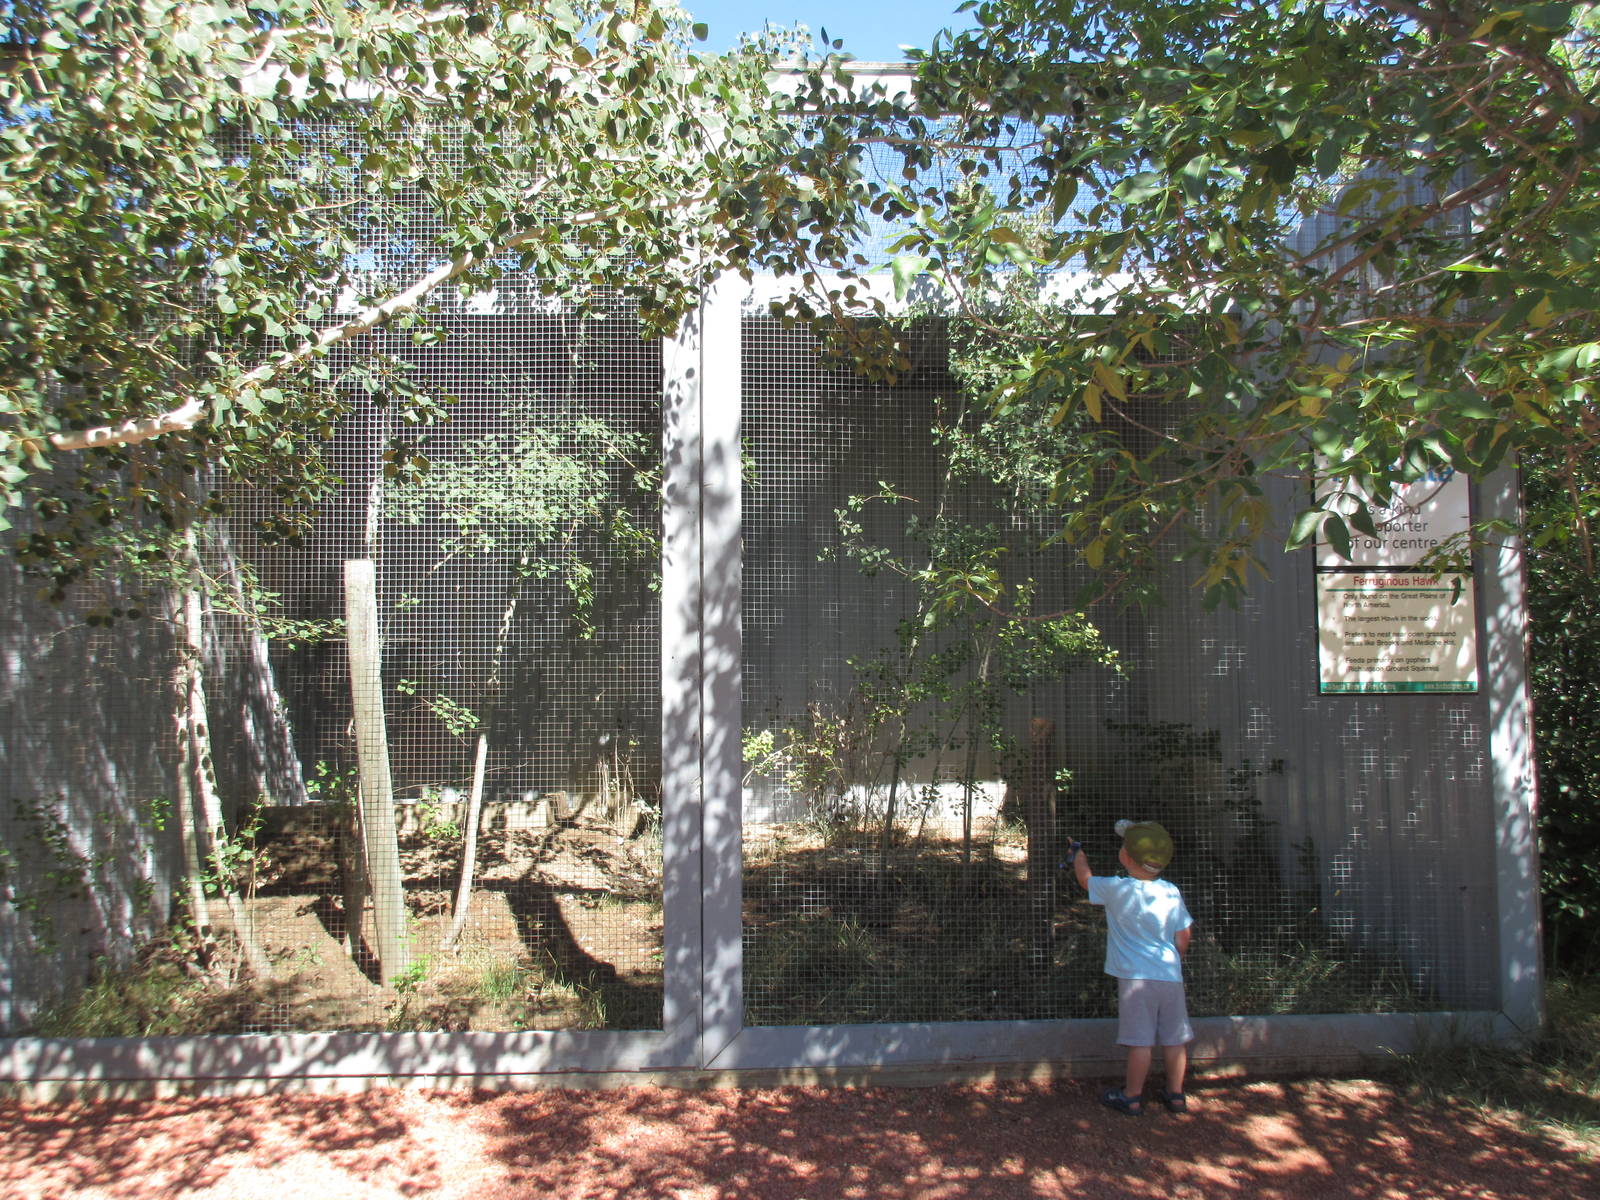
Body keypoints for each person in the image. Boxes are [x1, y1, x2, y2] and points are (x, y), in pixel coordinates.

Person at [1067, 819, 1195, 1116]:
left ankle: (1132, 1096)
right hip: (1169, 975)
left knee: (1140, 1041)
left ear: (1125, 857)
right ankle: (1176, 1095)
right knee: (1175, 1039)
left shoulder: (1116, 889)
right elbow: (1183, 935)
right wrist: (1177, 958)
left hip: (1136, 979)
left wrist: (1078, 853)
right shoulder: (1171, 892)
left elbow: (1086, 880)